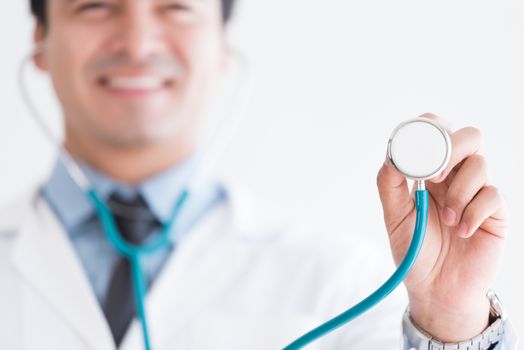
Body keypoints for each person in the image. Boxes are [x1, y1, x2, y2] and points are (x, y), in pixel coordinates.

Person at [0, 0, 517, 349]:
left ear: (221, 46)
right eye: (95, 4)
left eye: (176, 6)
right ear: (40, 39)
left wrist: (449, 322)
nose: (137, 43)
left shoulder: (344, 282)